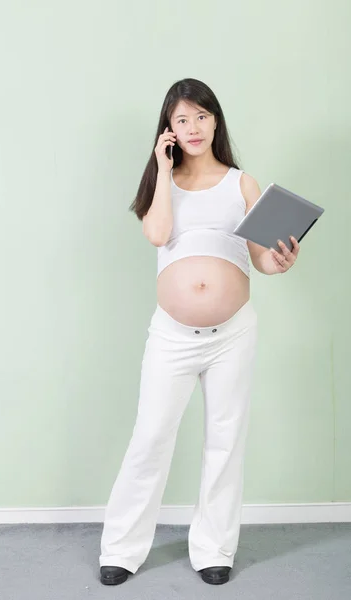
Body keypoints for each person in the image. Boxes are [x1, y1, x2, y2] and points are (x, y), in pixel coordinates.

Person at [99, 78, 299, 587]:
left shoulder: (242, 183)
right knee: (151, 436)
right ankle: (121, 549)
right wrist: (164, 171)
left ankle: (214, 547)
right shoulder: (158, 184)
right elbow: (159, 234)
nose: (193, 127)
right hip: (172, 335)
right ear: (168, 129)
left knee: (225, 439)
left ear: (216, 121)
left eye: (201, 116)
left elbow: (262, 262)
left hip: (233, 332)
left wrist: (282, 260)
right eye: (181, 119)